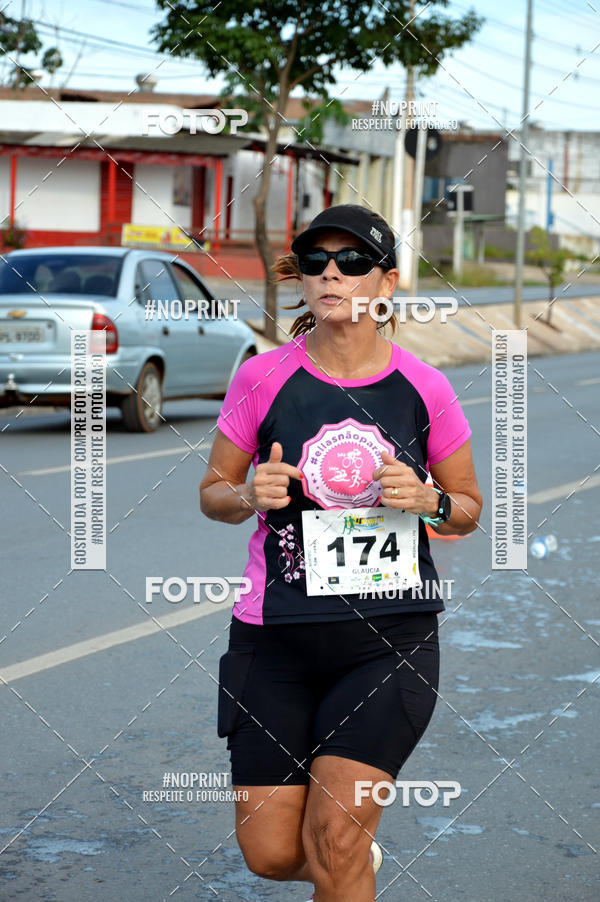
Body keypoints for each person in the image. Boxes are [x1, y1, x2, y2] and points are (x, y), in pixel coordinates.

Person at [199, 203, 483, 902]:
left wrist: (428, 501)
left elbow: (469, 509)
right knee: (270, 854)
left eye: (353, 261)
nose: (332, 274)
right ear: (302, 279)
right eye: (317, 261)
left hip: (387, 644)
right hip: (274, 640)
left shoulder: (425, 388)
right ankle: (352, 866)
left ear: (386, 283)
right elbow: (213, 493)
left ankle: (347, 855)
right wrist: (248, 494)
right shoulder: (262, 378)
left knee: (334, 835)